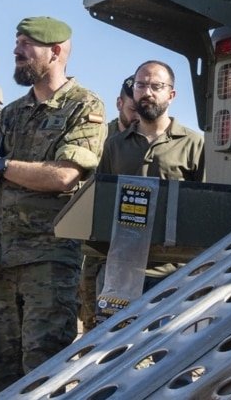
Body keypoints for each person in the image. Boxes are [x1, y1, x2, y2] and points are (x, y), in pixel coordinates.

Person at [0, 17, 107, 394]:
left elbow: (63, 176)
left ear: (56, 52)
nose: (16, 51)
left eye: (26, 44)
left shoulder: (84, 107)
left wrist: (2, 166)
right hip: (1, 259)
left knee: (44, 371)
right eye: (16, 42)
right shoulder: (12, 113)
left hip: (50, 261)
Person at [97, 60, 205, 294]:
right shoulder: (114, 145)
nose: (147, 92)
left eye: (156, 86)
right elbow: (101, 205)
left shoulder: (193, 143)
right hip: (120, 272)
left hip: (174, 273)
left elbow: (206, 210)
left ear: (171, 94)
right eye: (140, 85)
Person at [78, 75, 139, 331]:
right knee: (95, 322)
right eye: (132, 109)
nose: (138, 117)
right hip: (100, 247)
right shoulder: (100, 139)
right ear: (119, 103)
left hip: (139, 247)